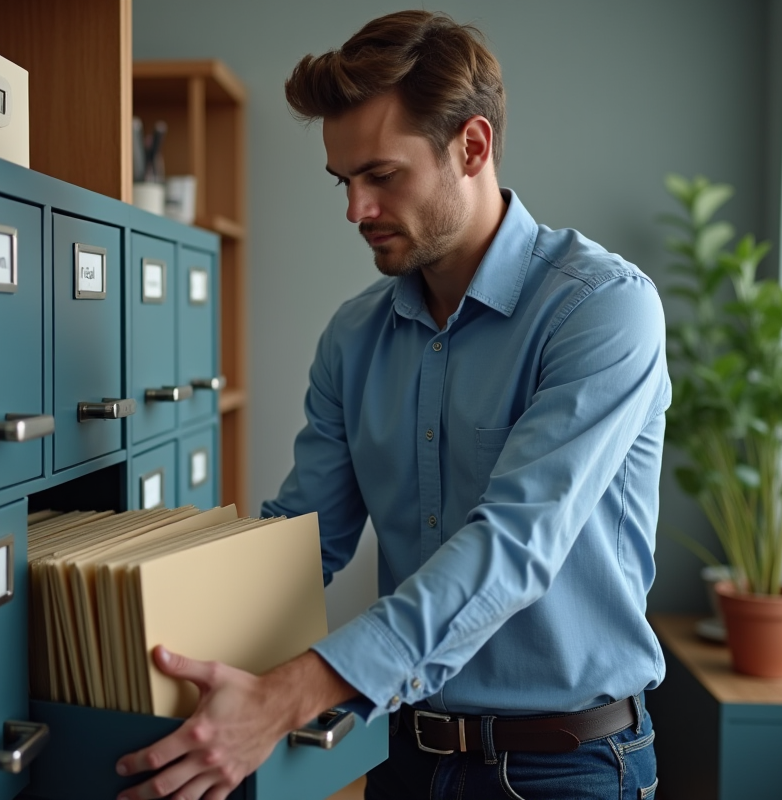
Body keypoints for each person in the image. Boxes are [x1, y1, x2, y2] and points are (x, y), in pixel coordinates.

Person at [115, 10, 670, 800]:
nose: (355, 211)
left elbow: (513, 546)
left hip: (569, 767)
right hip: (404, 754)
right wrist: (150, 640)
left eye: (382, 175)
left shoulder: (602, 310)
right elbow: (304, 538)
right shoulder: (354, 337)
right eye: (344, 182)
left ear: (471, 147)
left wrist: (285, 696)